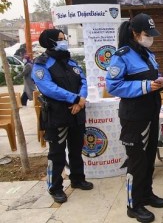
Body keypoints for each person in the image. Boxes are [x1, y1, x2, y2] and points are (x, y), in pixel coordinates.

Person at [105, 13, 163, 223]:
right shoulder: (121, 55)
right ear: (134, 32)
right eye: (146, 33)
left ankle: (146, 194)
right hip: (134, 116)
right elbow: (113, 85)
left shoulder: (146, 53)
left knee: (149, 158)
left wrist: (160, 82)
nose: (150, 37)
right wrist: (147, 85)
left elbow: (150, 78)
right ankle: (134, 204)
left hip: (151, 112)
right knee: (136, 161)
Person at [32, 29, 93, 204]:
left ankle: (77, 178)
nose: (64, 41)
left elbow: (83, 80)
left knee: (76, 149)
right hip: (57, 114)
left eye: (64, 38)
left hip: (77, 112)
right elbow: (48, 88)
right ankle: (55, 187)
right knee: (57, 154)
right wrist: (74, 98)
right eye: (60, 39)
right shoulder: (42, 64)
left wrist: (80, 100)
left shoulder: (70, 61)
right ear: (49, 41)